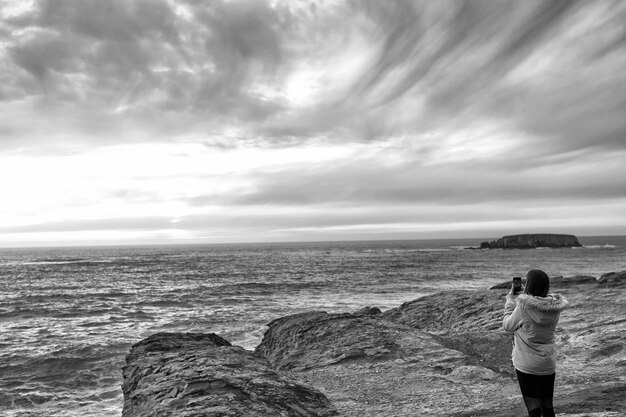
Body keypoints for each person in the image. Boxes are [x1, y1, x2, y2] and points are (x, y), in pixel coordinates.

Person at [502, 269, 569, 417]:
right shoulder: (554, 307)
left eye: (526, 282)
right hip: (547, 363)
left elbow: (507, 326)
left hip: (527, 364)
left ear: (530, 285)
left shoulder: (523, 306)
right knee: (548, 407)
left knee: (534, 410)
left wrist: (510, 301)